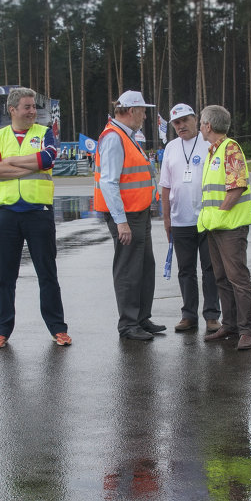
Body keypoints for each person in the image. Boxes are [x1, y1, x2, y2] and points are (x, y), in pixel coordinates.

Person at [0, 87, 71, 348]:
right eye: (27, 107)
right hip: (7, 215)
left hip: (38, 214)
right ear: (13, 110)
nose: (33, 111)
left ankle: (58, 328)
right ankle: (2, 330)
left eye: (34, 106)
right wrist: (29, 164)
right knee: (5, 277)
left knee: (47, 274)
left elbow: (48, 159)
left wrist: (11, 162)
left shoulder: (44, 133)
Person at [94, 90, 163, 341]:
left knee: (145, 266)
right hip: (127, 216)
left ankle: (142, 318)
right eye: (143, 111)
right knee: (129, 269)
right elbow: (108, 182)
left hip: (139, 213)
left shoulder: (127, 136)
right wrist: (121, 221)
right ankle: (128, 324)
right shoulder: (114, 138)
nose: (145, 116)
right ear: (131, 111)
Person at [198, 105, 251, 351]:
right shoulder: (214, 150)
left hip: (230, 227)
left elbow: (237, 187)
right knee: (221, 277)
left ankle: (246, 330)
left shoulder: (230, 148)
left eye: (201, 122)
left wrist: (220, 215)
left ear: (208, 126)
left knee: (237, 278)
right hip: (216, 227)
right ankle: (230, 324)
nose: (200, 126)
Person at [159, 103, 220, 333]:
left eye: (185, 120)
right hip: (180, 219)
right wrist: (166, 219)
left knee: (210, 269)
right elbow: (165, 186)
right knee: (185, 270)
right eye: (176, 122)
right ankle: (189, 315)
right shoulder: (171, 148)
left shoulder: (209, 144)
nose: (181, 126)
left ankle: (212, 316)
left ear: (196, 119)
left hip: (206, 219)